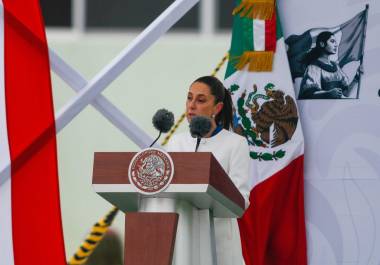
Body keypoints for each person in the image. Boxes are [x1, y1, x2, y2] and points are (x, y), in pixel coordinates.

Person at [166, 76, 252, 265]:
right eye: (189, 98)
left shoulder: (235, 144)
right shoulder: (176, 142)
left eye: (201, 100)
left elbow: (241, 202)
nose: (191, 105)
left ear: (217, 108)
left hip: (220, 245)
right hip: (182, 243)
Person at [299, 31, 357, 99]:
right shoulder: (314, 67)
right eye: (332, 41)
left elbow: (346, 93)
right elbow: (308, 94)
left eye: (335, 42)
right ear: (322, 44)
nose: (336, 45)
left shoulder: (336, 66)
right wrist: (328, 93)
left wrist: (356, 78)